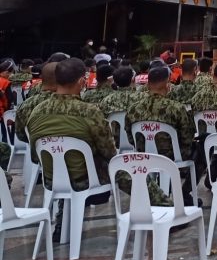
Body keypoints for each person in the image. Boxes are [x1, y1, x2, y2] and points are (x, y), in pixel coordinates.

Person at [25, 57, 115, 199]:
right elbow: (109, 152)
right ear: (81, 82)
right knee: (127, 167)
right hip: (86, 181)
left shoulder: (36, 111)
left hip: (50, 180)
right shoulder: (90, 111)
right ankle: (158, 205)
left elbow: (35, 156)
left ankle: (64, 213)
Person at [125, 64, 193, 203]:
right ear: (168, 84)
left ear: (148, 84)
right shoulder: (177, 108)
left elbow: (131, 138)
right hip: (172, 157)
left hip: (144, 156)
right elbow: (187, 137)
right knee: (201, 150)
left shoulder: (133, 109)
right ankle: (184, 195)